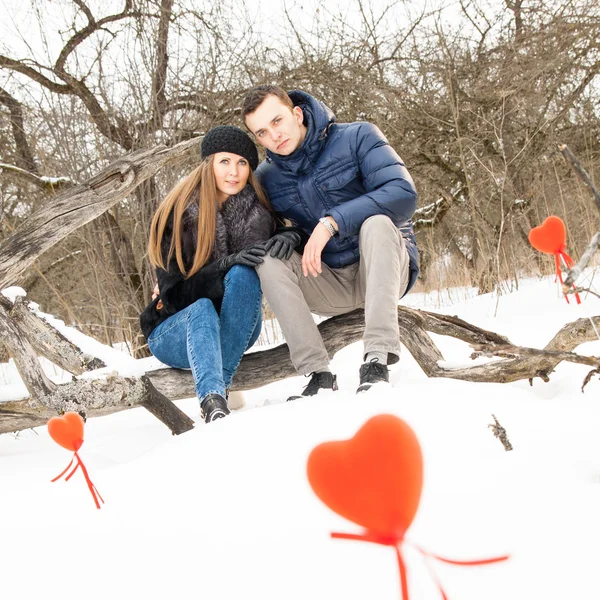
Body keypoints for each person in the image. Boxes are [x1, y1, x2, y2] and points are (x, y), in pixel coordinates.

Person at [242, 85, 419, 398]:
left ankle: (377, 359)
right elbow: (254, 232)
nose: (274, 135)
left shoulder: (358, 136)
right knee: (267, 260)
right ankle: (318, 373)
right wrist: (292, 233)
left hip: (384, 269)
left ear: (296, 114)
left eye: (278, 121)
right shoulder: (266, 178)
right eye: (263, 132)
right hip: (328, 283)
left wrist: (332, 222)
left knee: (377, 223)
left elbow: (403, 194)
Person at [140, 125, 275, 423]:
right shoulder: (176, 214)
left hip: (236, 326)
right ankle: (214, 402)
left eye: (242, 163)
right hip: (175, 329)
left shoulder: (259, 215)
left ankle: (218, 382)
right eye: (225, 161)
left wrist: (295, 236)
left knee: (245, 273)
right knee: (201, 309)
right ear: (208, 164)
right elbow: (172, 298)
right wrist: (222, 266)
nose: (234, 171)